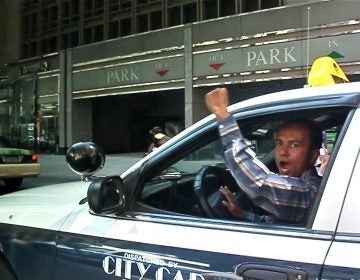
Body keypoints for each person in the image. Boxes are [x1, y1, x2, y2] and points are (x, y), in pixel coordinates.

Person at [205, 87, 323, 224]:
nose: (283, 152)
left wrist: (221, 113)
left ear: (313, 155)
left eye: (294, 145)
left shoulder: (310, 192)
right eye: (279, 143)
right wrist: (242, 214)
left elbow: (259, 182)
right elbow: (279, 224)